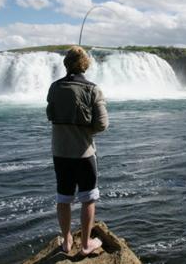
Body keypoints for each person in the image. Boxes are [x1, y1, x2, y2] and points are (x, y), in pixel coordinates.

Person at [46, 46, 109, 255]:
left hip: (60, 152)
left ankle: (66, 241)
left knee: (63, 197)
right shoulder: (93, 89)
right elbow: (102, 124)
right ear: (85, 65)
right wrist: (84, 130)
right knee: (88, 198)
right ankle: (85, 245)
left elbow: (50, 114)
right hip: (84, 153)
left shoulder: (54, 88)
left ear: (66, 64)